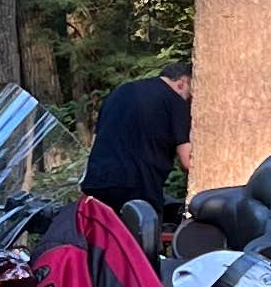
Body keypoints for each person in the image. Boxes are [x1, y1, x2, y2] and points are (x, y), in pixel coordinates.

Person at [77, 60, 193, 217]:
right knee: (137, 240)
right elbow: (187, 161)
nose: (190, 99)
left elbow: (95, 141)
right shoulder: (175, 101)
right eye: (190, 94)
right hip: (139, 187)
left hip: (97, 182)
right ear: (182, 83)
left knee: (102, 238)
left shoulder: (120, 92)